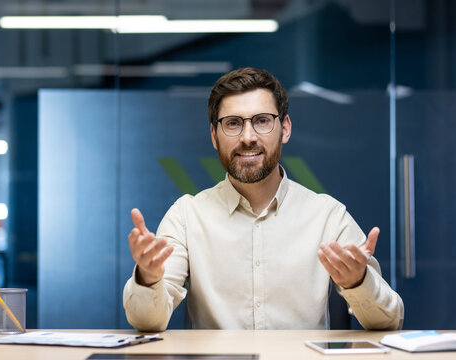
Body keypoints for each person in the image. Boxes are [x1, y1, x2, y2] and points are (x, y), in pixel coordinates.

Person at [123, 67, 404, 331]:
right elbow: (148, 322)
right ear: (214, 135)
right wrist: (148, 278)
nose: (248, 137)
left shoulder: (327, 215)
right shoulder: (186, 216)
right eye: (233, 123)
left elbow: (389, 320)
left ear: (286, 128)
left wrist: (358, 282)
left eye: (262, 121)